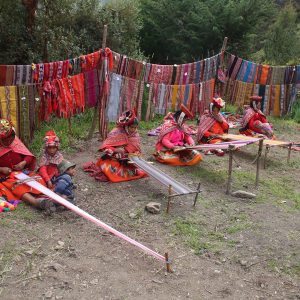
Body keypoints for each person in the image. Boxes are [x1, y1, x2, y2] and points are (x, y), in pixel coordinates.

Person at [0, 118, 56, 214]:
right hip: (6, 177)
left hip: (21, 172)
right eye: (6, 139)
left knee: (38, 179)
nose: (9, 141)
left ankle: (51, 199)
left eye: (11, 137)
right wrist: (1, 169)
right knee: (16, 186)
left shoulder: (15, 142)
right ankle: (36, 202)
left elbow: (28, 156)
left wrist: (23, 163)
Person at [95, 109, 148, 182]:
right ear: (127, 126)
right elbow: (106, 146)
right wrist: (116, 150)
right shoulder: (116, 132)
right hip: (114, 158)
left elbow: (136, 148)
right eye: (131, 127)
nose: (133, 129)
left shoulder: (135, 135)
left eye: (135, 127)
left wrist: (132, 152)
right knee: (109, 169)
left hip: (128, 159)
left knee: (139, 170)